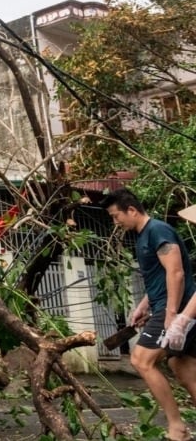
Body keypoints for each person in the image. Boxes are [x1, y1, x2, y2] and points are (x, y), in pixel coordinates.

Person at [104, 188, 196, 441]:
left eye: (115, 216)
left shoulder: (157, 230)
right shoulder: (143, 236)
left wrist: (171, 315)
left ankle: (177, 427)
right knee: (182, 365)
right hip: (166, 306)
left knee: (141, 360)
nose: (115, 222)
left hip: (178, 307)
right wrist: (144, 305)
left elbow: (175, 273)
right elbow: (159, 274)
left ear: (131, 210)